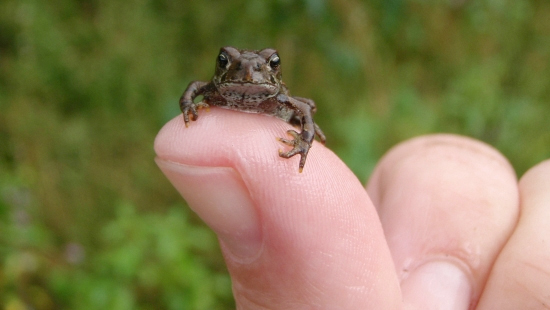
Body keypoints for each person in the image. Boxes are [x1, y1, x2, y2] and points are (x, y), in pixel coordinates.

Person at [154, 108, 549, 309]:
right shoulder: (217, 91)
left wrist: (303, 141)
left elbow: (303, 109)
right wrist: (192, 108)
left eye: (269, 65)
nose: (249, 71)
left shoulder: (277, 97)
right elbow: (193, 90)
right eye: (230, 63)